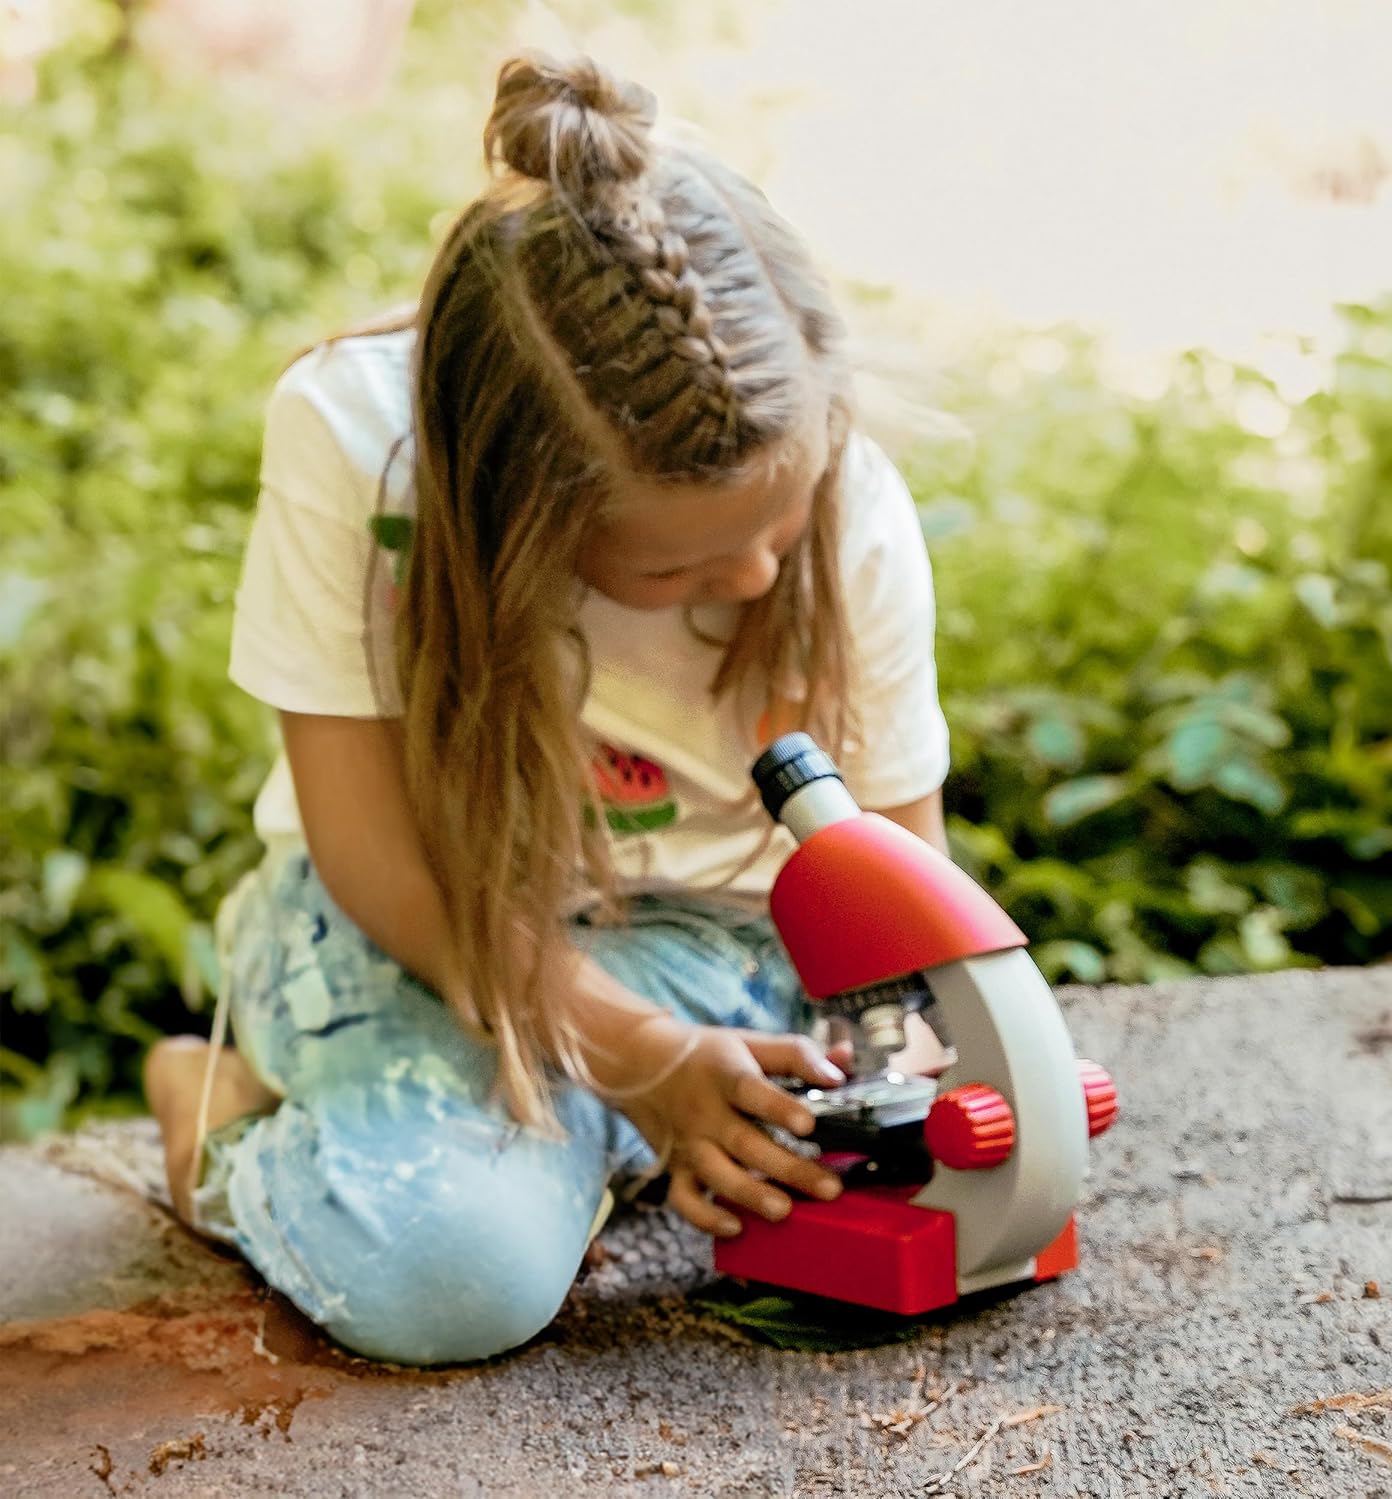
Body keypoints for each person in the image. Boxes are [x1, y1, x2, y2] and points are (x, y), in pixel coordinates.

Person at [145, 51, 951, 1366]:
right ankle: (222, 1122)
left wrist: (898, 1064)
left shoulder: (854, 504)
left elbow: (900, 879)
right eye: (674, 572)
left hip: (719, 940)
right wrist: (639, 1059)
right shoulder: (355, 445)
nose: (750, 580)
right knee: (454, 1283)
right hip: (425, 917)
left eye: (779, 517)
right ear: (513, 517)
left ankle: (558, 1140)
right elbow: (372, 856)